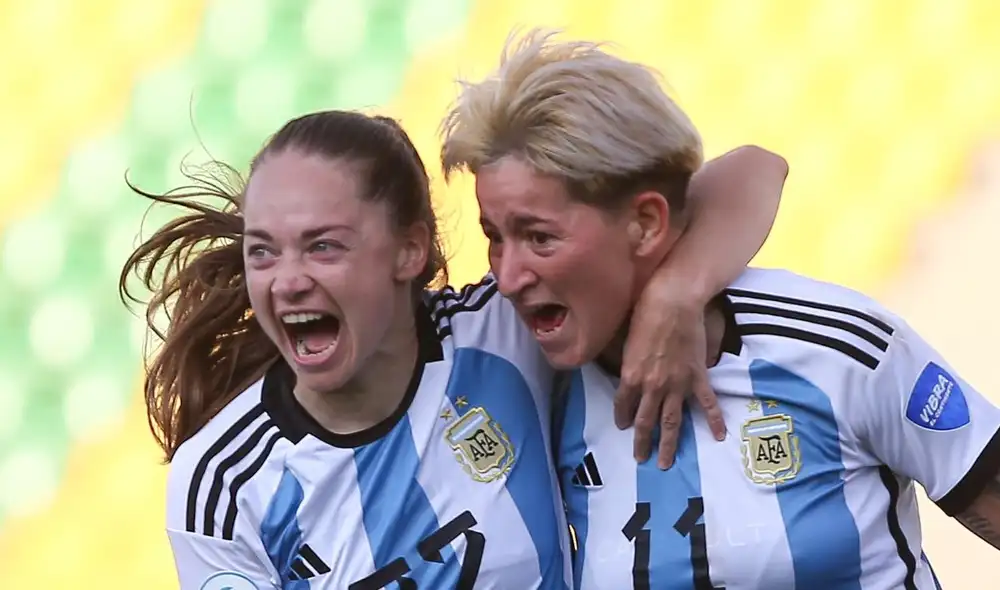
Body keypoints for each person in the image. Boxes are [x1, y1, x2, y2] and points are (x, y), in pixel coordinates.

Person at [119, 109, 786, 588]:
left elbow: (754, 170)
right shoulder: (224, 481)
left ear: (409, 250)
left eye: (323, 245)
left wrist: (676, 293)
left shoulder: (501, 331)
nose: (288, 279)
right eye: (262, 251)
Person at [439, 30, 1000, 589]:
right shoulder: (522, 374)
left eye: (539, 238)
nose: (506, 276)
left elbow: (758, 164)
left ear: (646, 223)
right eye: (494, 236)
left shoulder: (833, 347)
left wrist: (676, 292)